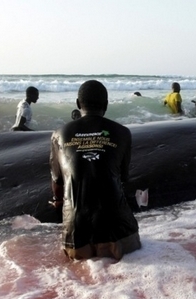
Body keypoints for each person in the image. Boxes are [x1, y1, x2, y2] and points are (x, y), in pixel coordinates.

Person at [49, 80, 141, 260]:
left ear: (78, 104)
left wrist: (58, 202)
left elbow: (57, 181)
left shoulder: (58, 134)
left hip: (76, 235)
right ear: (106, 105)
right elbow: (122, 177)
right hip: (119, 230)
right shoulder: (122, 132)